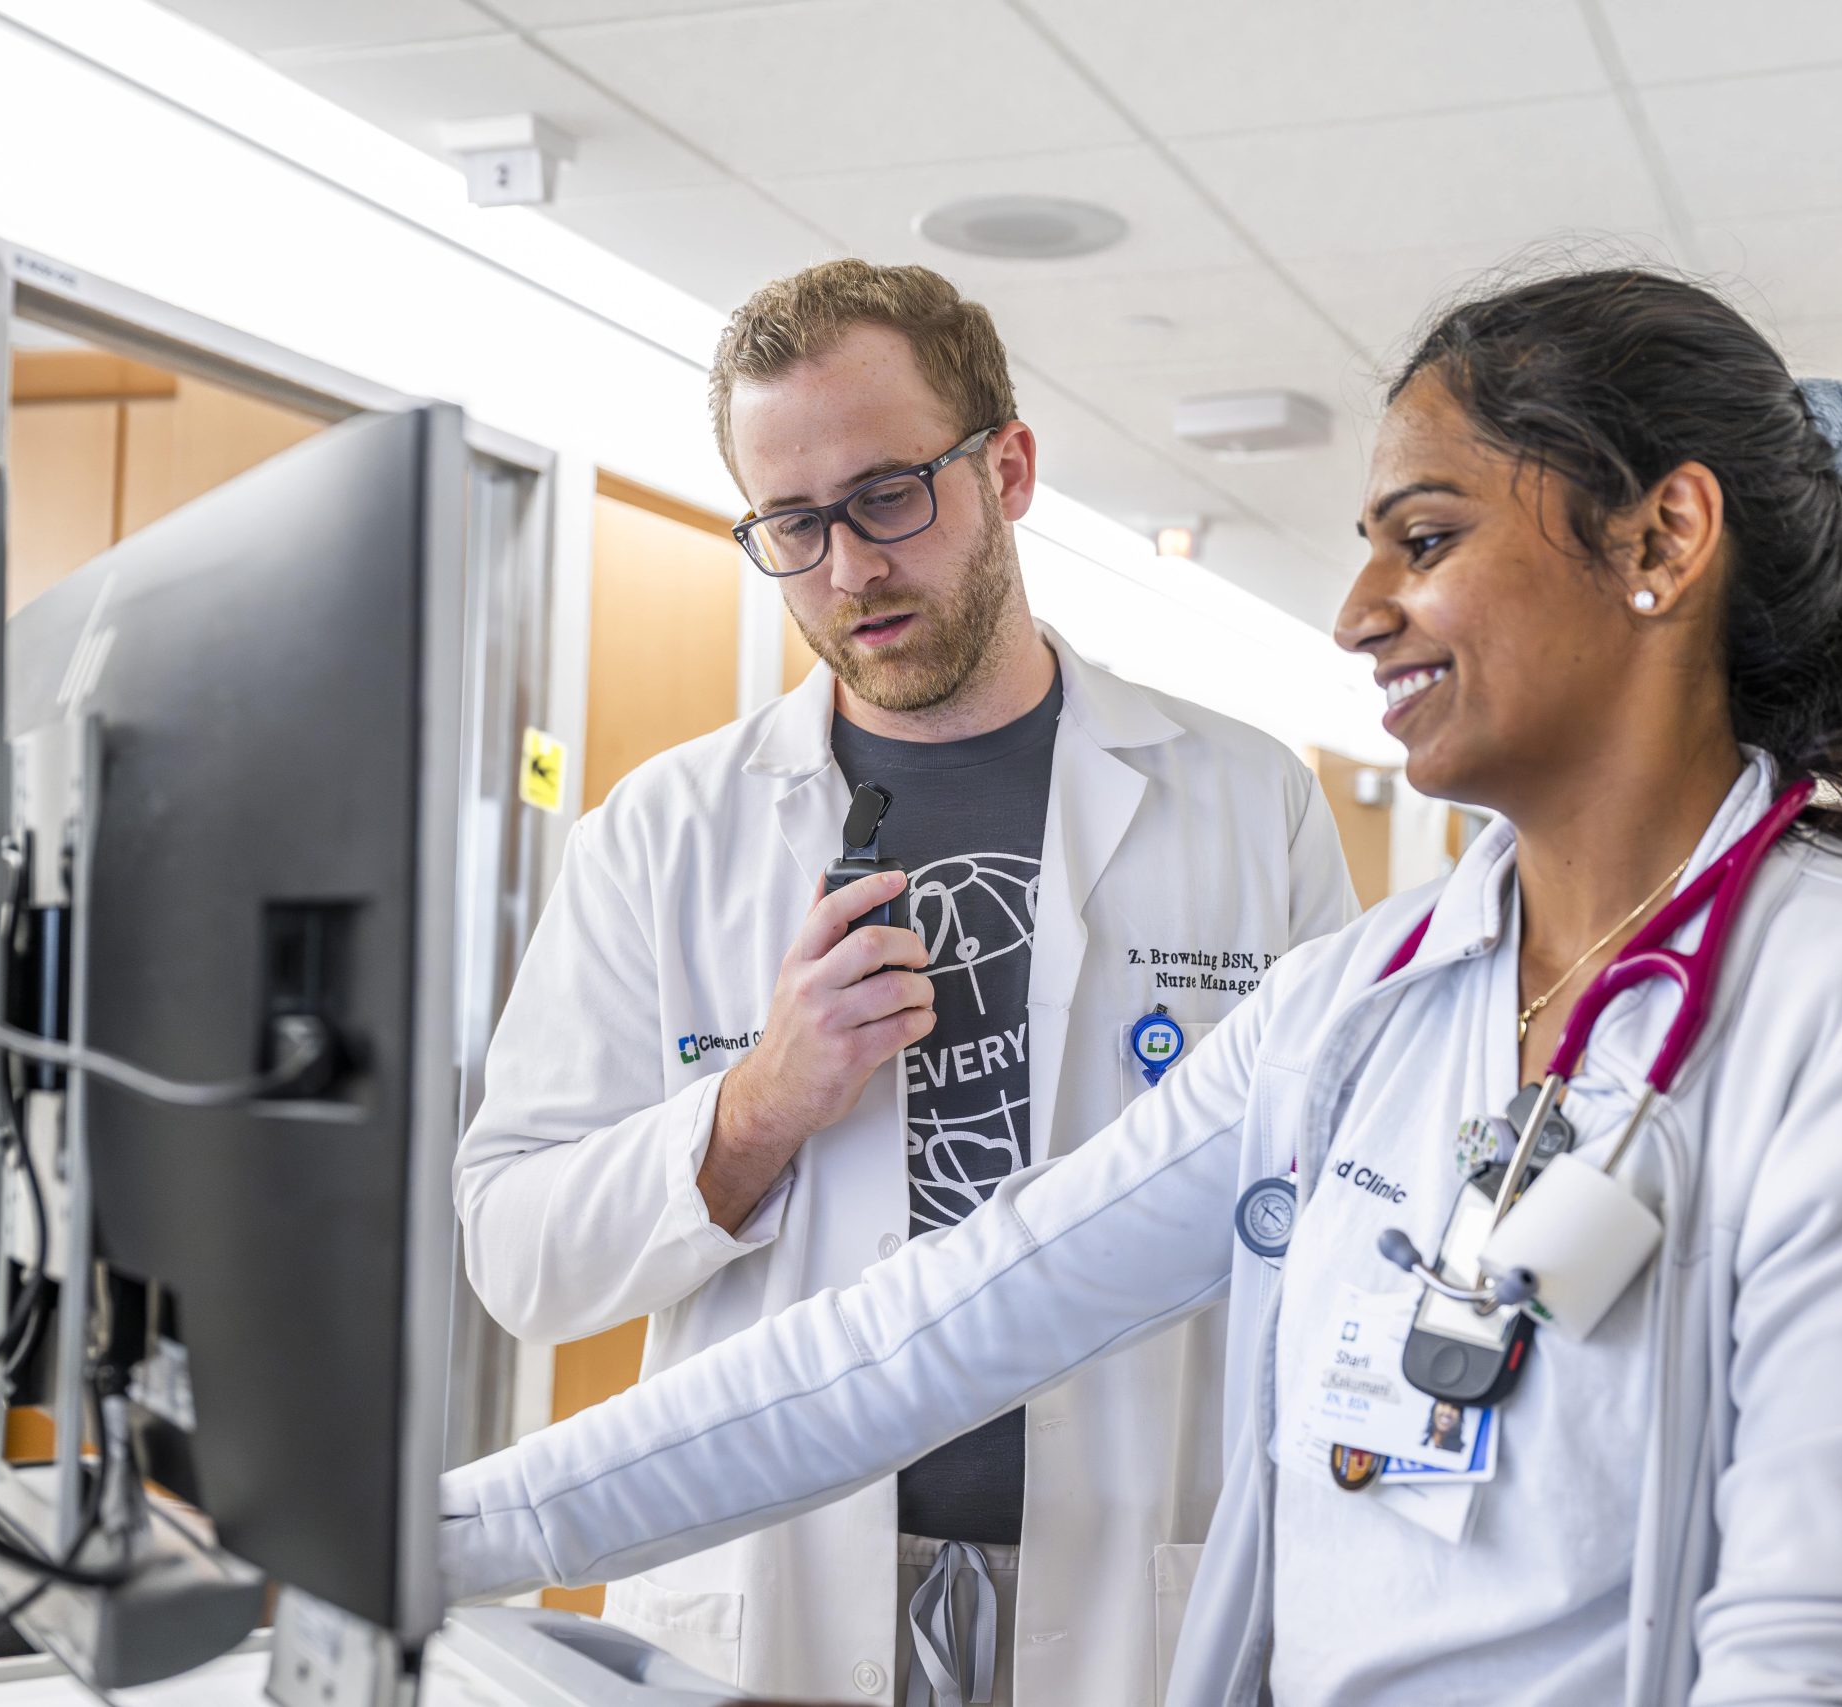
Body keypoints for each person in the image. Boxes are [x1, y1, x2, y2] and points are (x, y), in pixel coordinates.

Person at [441, 267, 1842, 1707]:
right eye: (791, 525)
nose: (1360, 612)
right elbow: (927, 1331)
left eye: (1425, 540)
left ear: (1661, 537)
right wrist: (434, 1535)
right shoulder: (1374, 1001)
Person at [453, 258, 1356, 1707]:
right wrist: (753, 1110)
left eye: (889, 495)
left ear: (1008, 467)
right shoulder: (666, 831)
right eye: (794, 525)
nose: (850, 568)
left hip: (1132, 1587)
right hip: (776, 1573)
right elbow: (519, 1259)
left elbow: (1333, 1218)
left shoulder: (1247, 803)